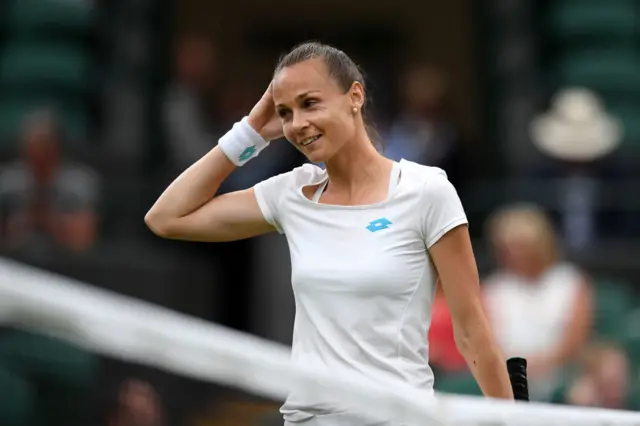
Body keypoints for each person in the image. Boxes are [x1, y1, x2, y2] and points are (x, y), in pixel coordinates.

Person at [145, 42, 513, 425]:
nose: (296, 124)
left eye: (310, 103)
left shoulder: (427, 192)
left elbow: (471, 330)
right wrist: (250, 131)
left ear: (355, 96)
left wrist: (511, 421)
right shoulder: (289, 193)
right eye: (285, 113)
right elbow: (166, 217)